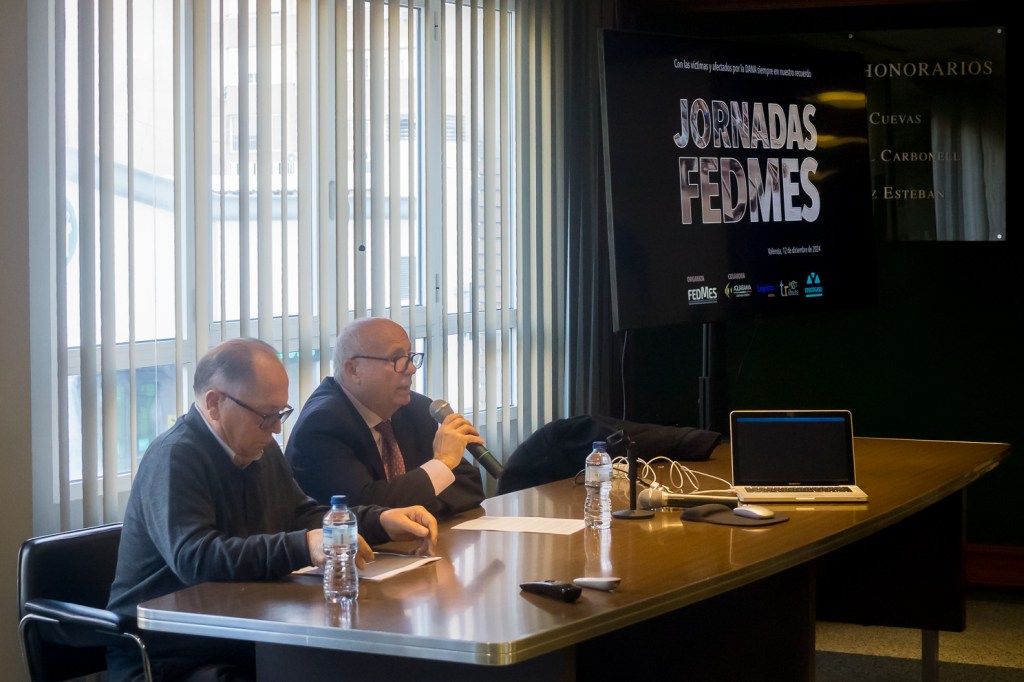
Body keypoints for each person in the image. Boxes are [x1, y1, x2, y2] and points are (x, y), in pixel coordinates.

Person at [106, 338, 437, 682]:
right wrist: (303, 545)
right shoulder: (175, 457)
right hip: (172, 654)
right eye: (266, 416)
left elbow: (301, 515)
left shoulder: (257, 447)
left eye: (281, 413)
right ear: (214, 403)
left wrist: (378, 521)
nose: (277, 428)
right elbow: (197, 558)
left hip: (243, 633)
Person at [285, 317, 486, 515]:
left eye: (410, 356)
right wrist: (442, 464)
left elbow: (470, 487)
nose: (411, 369)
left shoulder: (416, 409)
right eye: (396, 359)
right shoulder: (322, 426)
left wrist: (417, 501)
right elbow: (367, 510)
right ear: (353, 370)